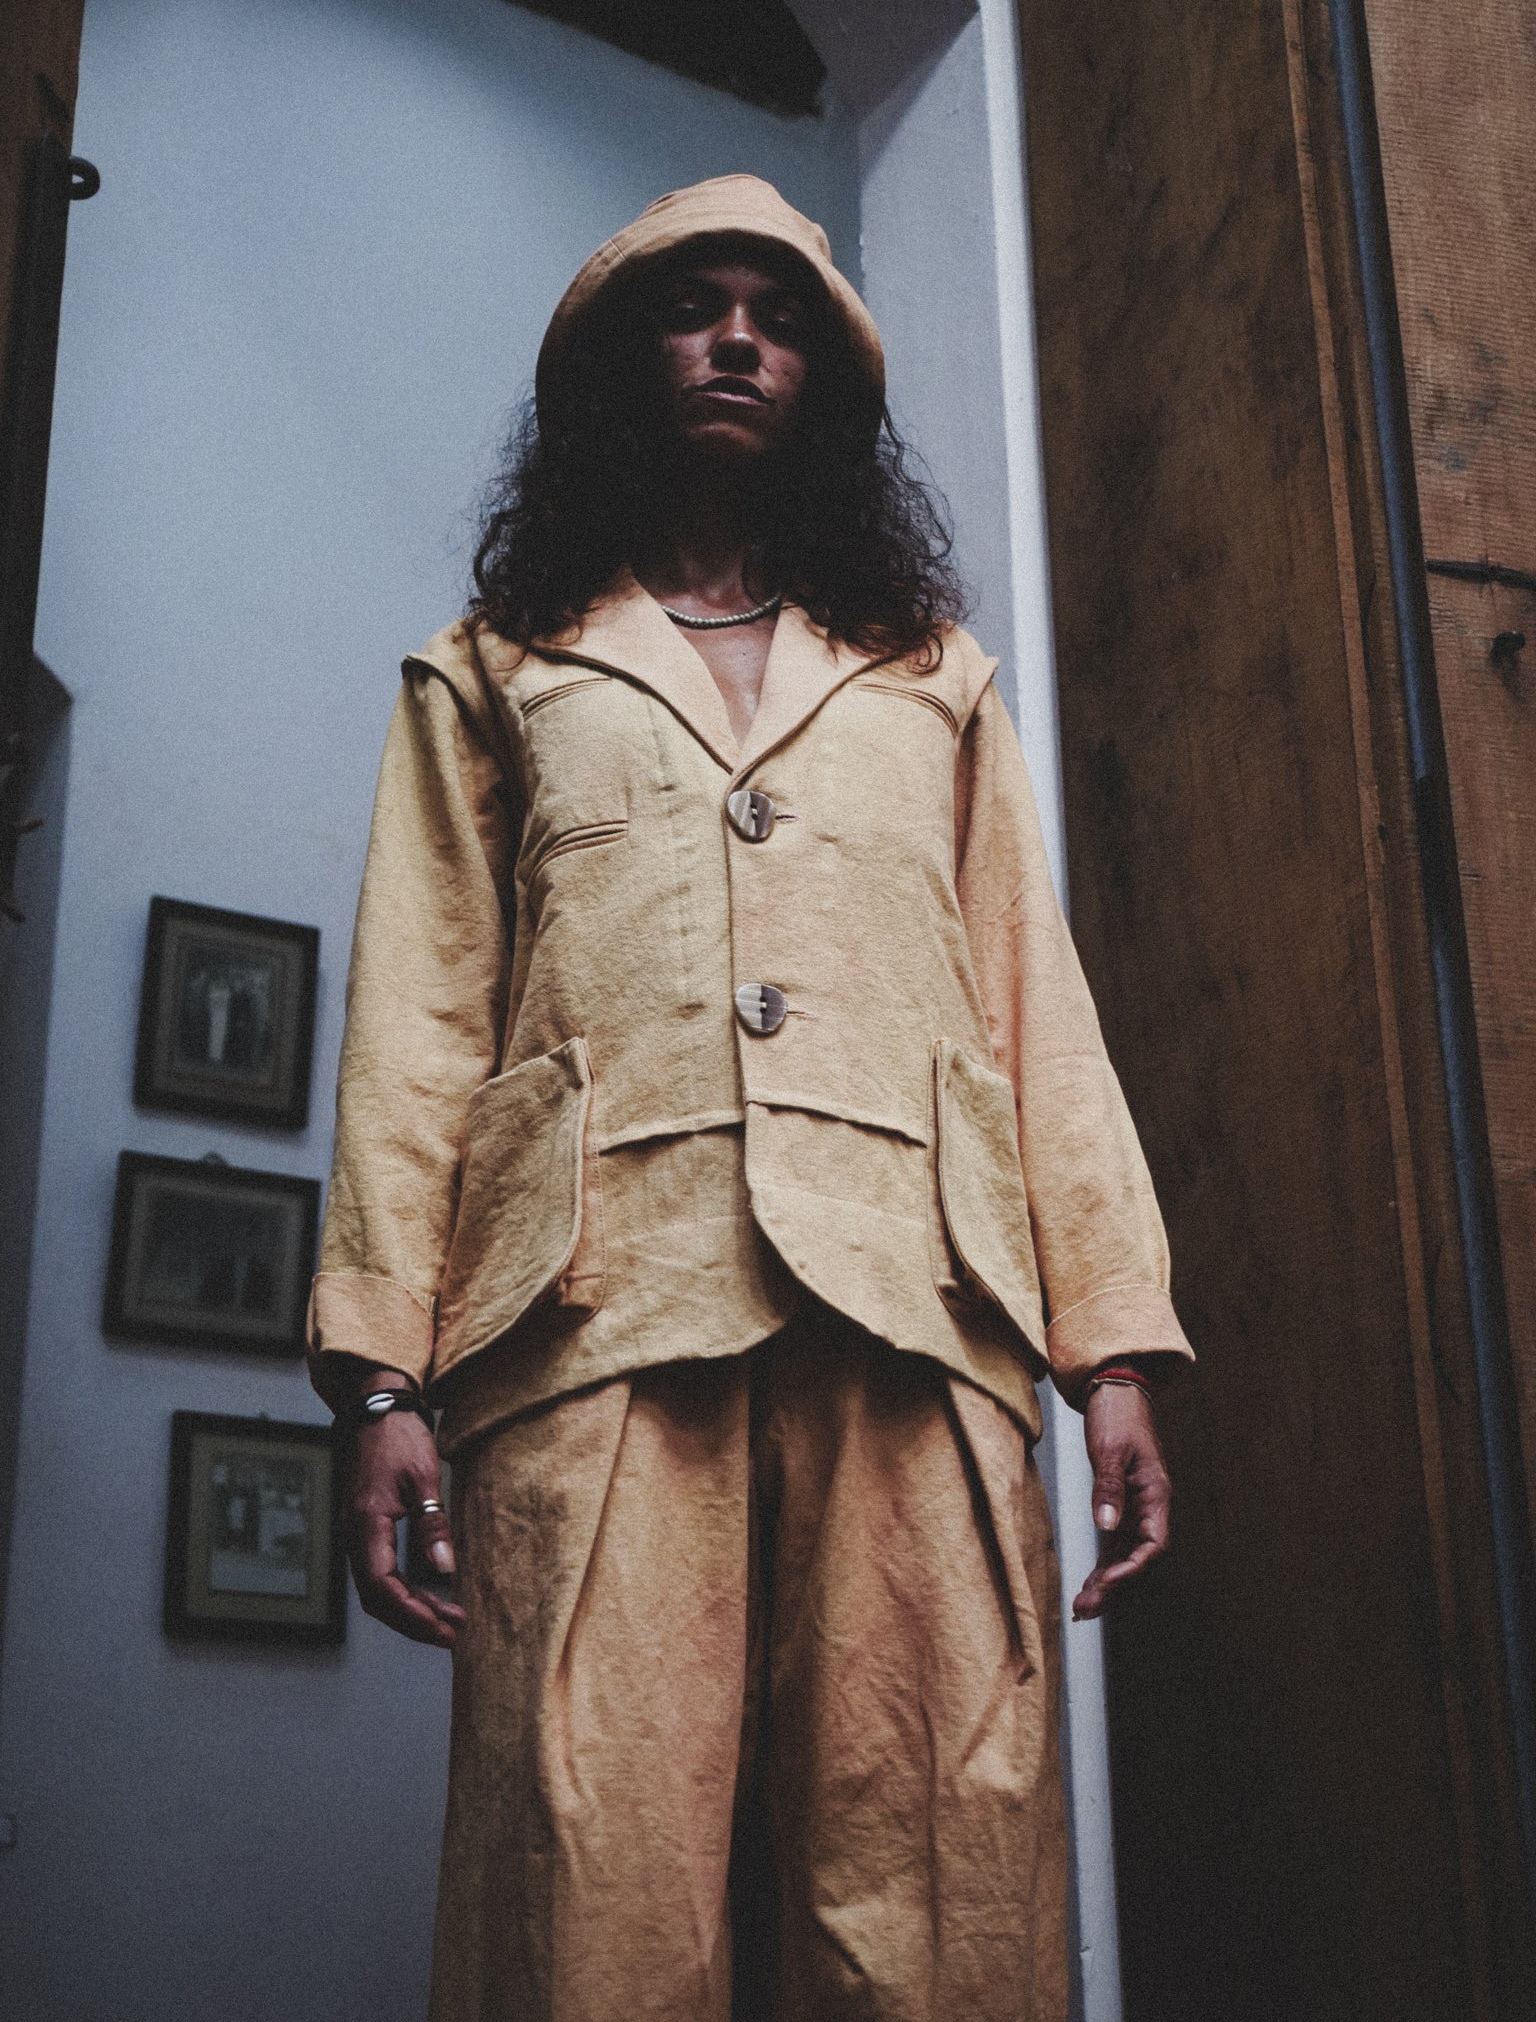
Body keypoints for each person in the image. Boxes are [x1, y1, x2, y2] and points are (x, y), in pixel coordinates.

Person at [308, 175, 1193, 2022]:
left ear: (825, 386)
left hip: (918, 1302)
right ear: (617, 370)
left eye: (774, 317)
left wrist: (1108, 1343)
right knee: (590, 1881)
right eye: (692, 309)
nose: (734, 338)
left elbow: (1034, 998)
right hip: (592, 1312)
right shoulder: (494, 670)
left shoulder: (930, 675)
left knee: (938, 1874)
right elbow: (417, 1022)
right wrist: (380, 1374)